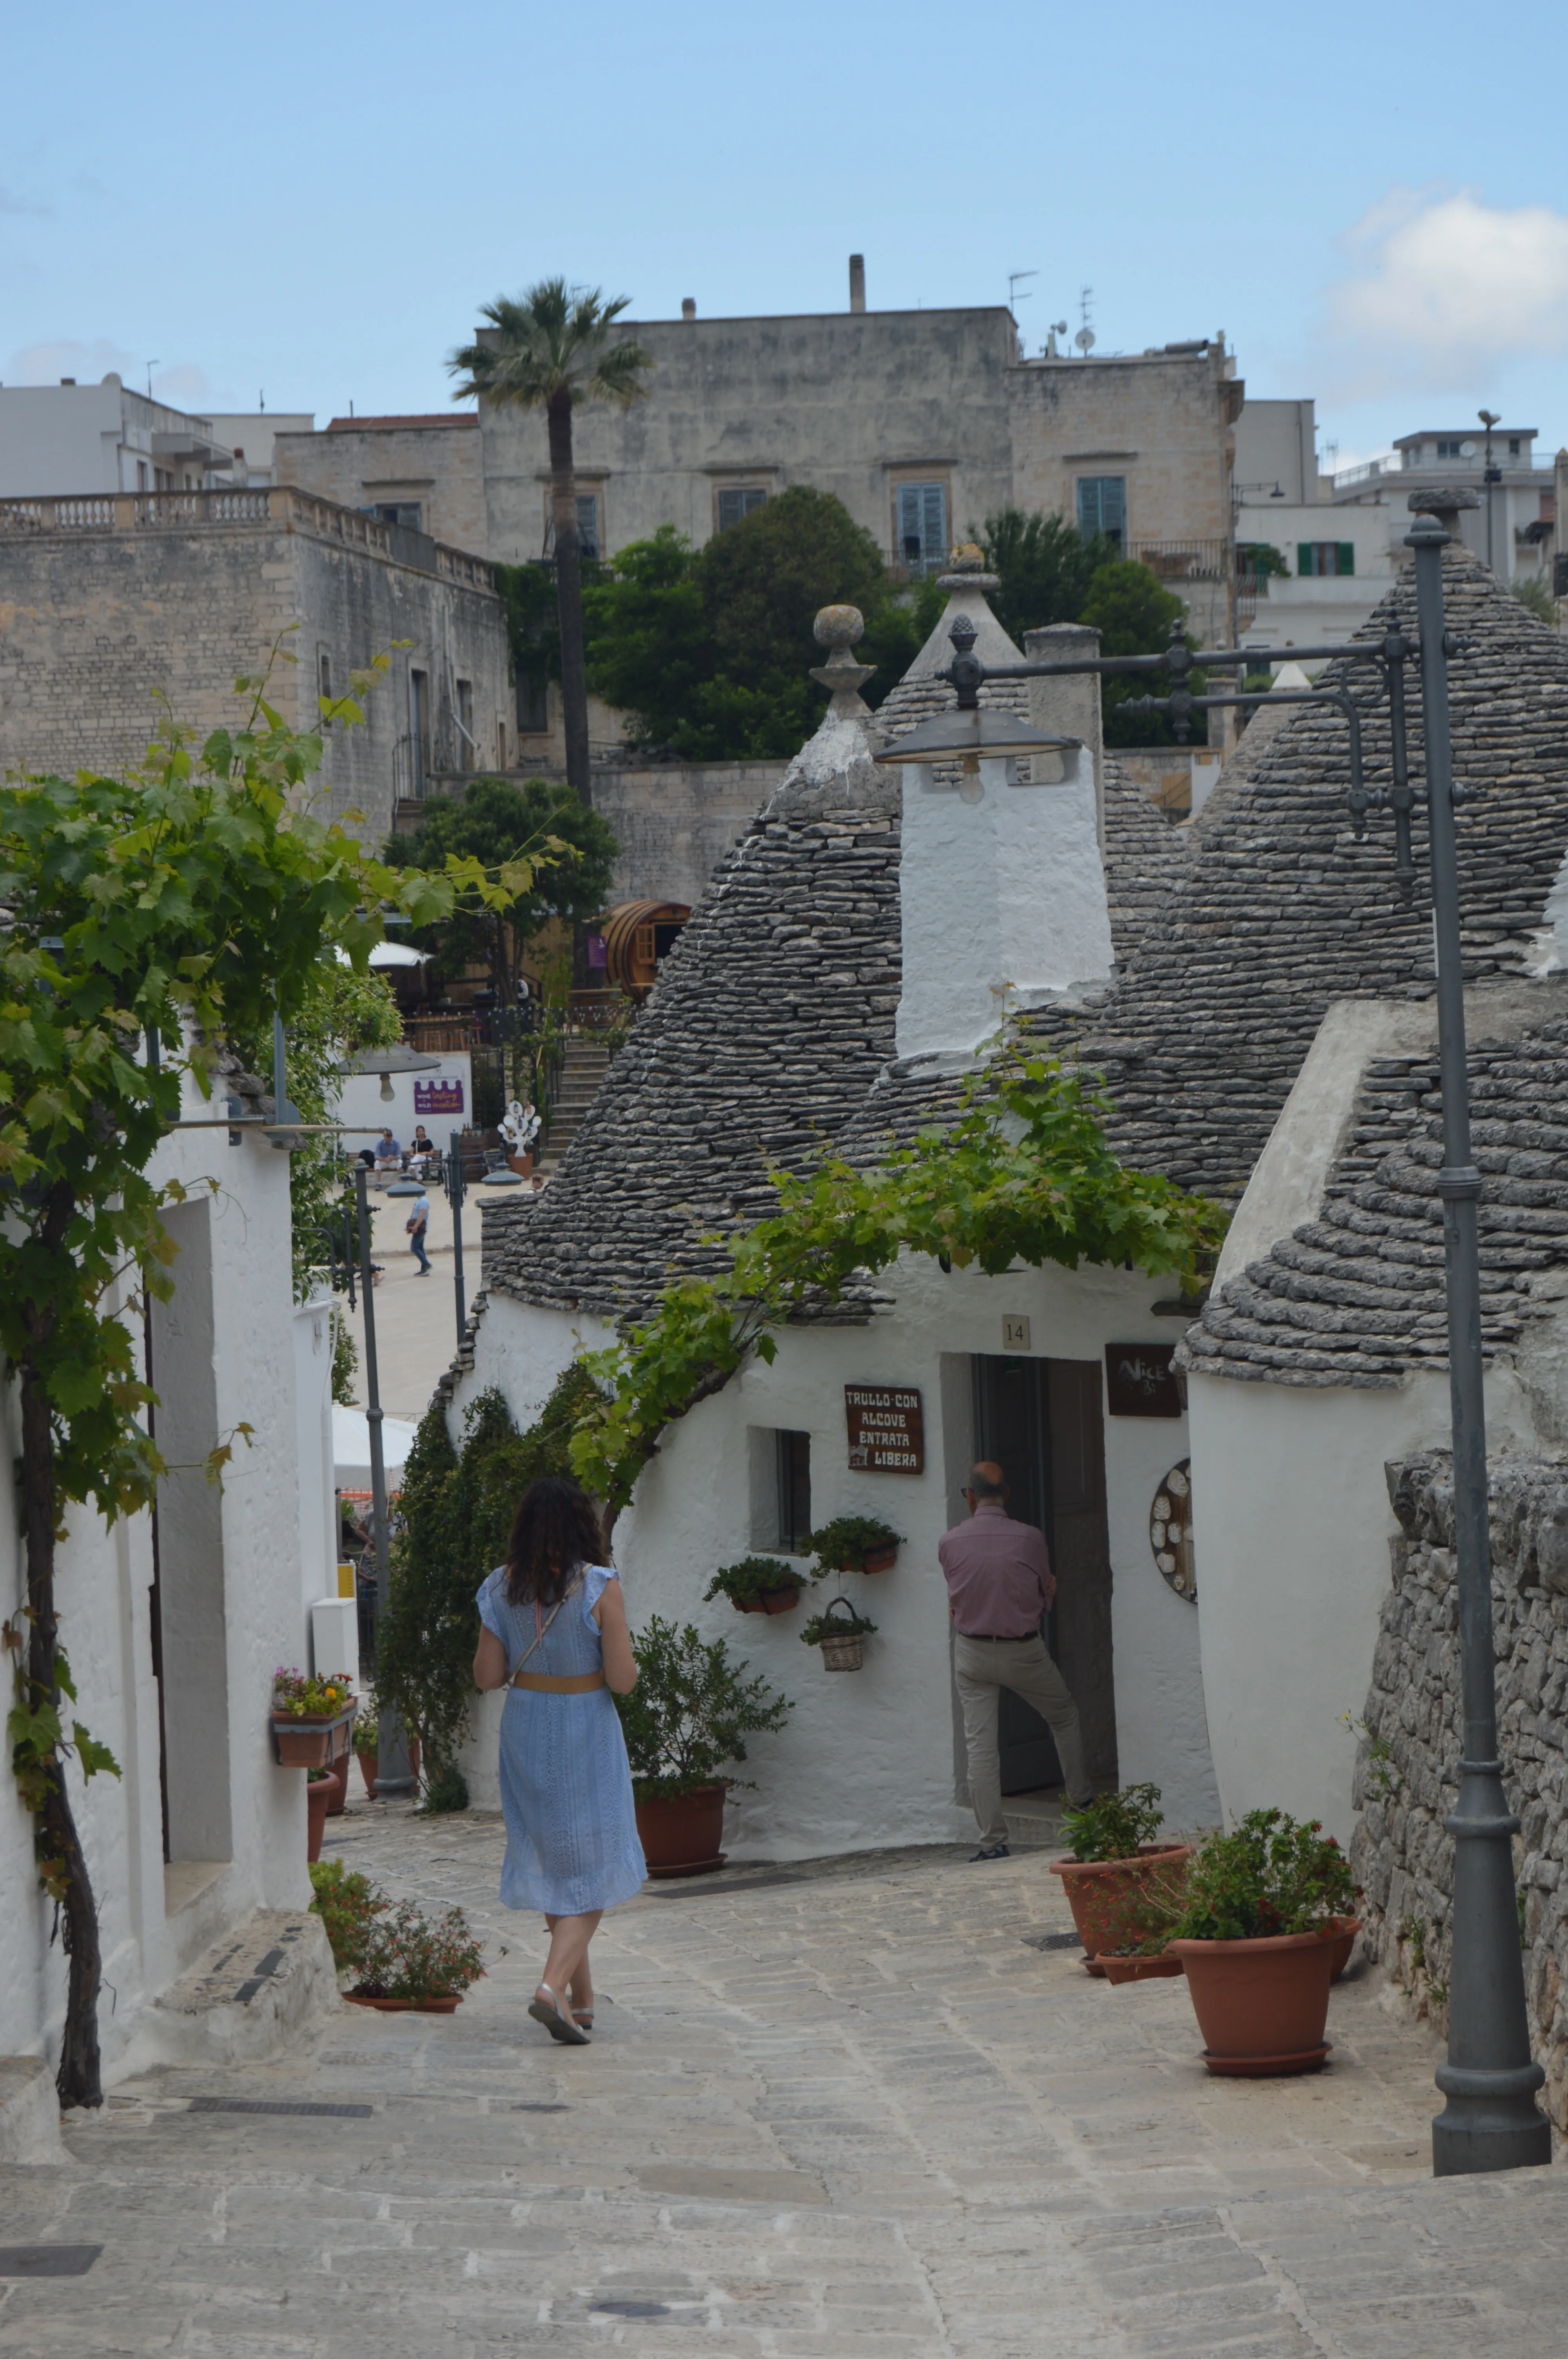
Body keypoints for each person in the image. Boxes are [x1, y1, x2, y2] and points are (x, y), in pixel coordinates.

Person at [472, 1476, 645, 2045]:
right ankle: (550, 1987)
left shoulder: (499, 1588)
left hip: (525, 1727)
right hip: (584, 1728)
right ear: (582, 1525)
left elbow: (488, 1676)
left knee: (556, 1860)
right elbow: (622, 1682)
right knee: (591, 1868)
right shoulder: (599, 1586)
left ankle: (581, 1999)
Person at [939, 1459, 1093, 1861]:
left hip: (971, 1651)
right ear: (1006, 1494)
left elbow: (956, 1598)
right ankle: (1080, 1805)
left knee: (981, 1747)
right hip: (1022, 1650)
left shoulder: (949, 1542)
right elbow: (1043, 1598)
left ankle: (992, 1842)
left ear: (970, 1498)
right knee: (1063, 1716)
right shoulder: (1030, 1538)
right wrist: (1047, 1593)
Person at [405, 1186, 431, 1274]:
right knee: (420, 1247)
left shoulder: (423, 1201)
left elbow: (422, 1215)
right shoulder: (421, 1200)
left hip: (420, 1227)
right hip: (419, 1226)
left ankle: (427, 1264)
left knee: (415, 1248)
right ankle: (425, 1268)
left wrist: (416, 1226)